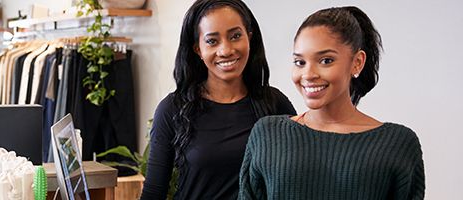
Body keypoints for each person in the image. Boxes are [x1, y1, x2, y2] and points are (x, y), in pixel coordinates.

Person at [238, 6, 425, 200]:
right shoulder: (267, 133)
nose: (308, 74)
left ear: (357, 62)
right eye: (300, 62)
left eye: (326, 60)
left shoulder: (397, 144)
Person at [141, 0, 296, 199]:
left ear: (249, 37)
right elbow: (154, 193)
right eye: (212, 41)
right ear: (198, 49)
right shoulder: (172, 109)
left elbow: (297, 174)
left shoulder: (275, 104)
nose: (226, 50)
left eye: (235, 36)